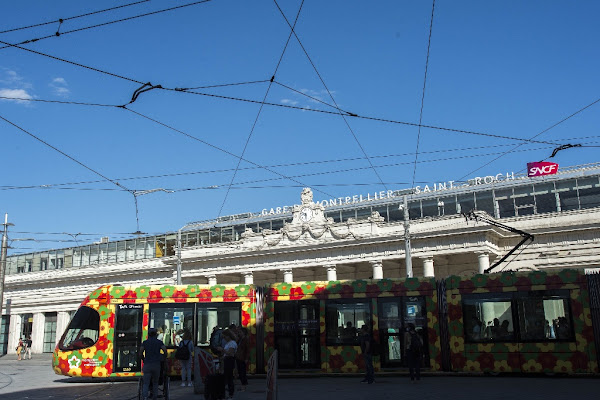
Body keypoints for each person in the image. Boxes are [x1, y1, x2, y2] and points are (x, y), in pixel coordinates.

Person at [140, 327, 167, 400]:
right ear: (155, 334)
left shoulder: (145, 342)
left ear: (148, 334)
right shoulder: (159, 342)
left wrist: (143, 358)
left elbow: (140, 352)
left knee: (146, 383)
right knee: (155, 382)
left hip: (147, 364)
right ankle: (155, 397)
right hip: (156, 364)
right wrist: (163, 358)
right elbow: (164, 350)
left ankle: (145, 397)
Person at [222, 329, 238, 399]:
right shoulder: (228, 343)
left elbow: (231, 353)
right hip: (227, 360)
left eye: (224, 337)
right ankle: (228, 393)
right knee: (227, 377)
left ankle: (230, 394)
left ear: (228, 336)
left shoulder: (232, 343)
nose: (224, 338)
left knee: (229, 378)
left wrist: (222, 350)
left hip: (229, 361)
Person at [235, 327, 250, 392]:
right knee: (240, 372)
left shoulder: (245, 339)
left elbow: (247, 349)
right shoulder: (240, 339)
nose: (239, 333)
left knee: (242, 372)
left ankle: (243, 386)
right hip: (238, 357)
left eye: (240, 332)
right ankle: (242, 386)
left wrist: (246, 358)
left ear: (243, 332)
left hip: (242, 357)